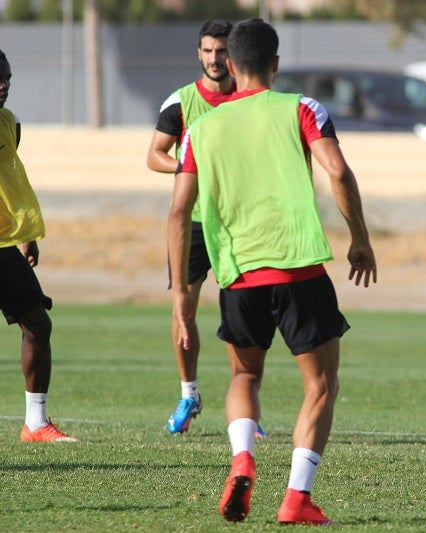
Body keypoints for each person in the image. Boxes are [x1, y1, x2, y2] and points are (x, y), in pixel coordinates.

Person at [168, 18, 377, 524]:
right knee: (321, 385)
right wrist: (360, 239)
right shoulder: (301, 108)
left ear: (230, 64)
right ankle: (297, 498)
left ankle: (243, 458)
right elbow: (338, 171)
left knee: (244, 374)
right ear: (276, 64)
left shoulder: (200, 129)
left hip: (237, 276)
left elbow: (178, 212)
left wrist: (179, 296)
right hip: (298, 268)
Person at [146, 20, 249, 435]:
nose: (214, 59)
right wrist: (189, 170)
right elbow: (154, 155)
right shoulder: (182, 101)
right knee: (183, 308)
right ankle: (188, 393)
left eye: (221, 51)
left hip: (237, 223)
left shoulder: (247, 98)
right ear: (199, 53)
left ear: (233, 54)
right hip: (191, 223)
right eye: (207, 51)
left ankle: (246, 403)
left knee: (240, 312)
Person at [0, 50, 78, 443]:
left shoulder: (9, 123)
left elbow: (11, 179)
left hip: (2, 245)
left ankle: (35, 422)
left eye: (7, 79)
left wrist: (25, 232)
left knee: (37, 323)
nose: (3, 86)